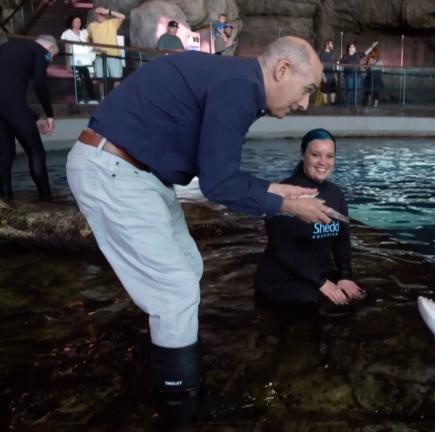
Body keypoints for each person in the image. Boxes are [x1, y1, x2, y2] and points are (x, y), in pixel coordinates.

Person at [65, 36, 329, 425]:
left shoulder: (235, 80)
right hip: (113, 169)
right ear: (282, 70)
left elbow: (216, 172)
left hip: (140, 174)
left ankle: (180, 373)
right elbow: (218, 185)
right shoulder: (241, 87)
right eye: (307, 90)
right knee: (175, 293)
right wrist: (291, 206)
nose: (305, 104)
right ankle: (179, 411)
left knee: (189, 266)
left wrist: (276, 190)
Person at [254, 128, 365, 307]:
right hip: (283, 278)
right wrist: (321, 282)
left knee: (360, 296)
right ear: (302, 155)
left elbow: (342, 240)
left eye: (329, 156)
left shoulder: (336, 194)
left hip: (318, 274)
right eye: (316, 155)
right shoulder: (285, 191)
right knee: (316, 304)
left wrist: (345, 276)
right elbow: (282, 249)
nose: (323, 162)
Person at [0, 35, 58, 202]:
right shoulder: (43, 52)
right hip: (12, 105)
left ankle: (5, 199)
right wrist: (50, 114)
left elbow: (7, 92)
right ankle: (46, 199)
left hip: (4, 106)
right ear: (51, 49)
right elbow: (39, 84)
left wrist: (34, 117)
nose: (49, 61)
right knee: (36, 151)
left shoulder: (6, 48)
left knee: (5, 153)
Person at [87, 6, 125, 93]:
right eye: (98, 14)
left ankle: (116, 99)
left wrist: (108, 11)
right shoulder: (91, 26)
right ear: (95, 15)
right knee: (101, 79)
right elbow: (87, 38)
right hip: (99, 56)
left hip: (113, 54)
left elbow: (123, 16)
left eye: (102, 14)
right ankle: (103, 98)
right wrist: (93, 46)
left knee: (117, 78)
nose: (100, 15)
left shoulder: (111, 22)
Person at [61, 15, 98, 104]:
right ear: (72, 22)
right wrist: (67, 63)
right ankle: (80, 99)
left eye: (79, 21)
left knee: (88, 79)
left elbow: (89, 43)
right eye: (76, 21)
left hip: (85, 59)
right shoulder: (67, 33)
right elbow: (66, 49)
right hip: (75, 60)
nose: (78, 23)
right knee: (78, 80)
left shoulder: (84, 32)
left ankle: (92, 98)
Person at [339, 41, 378, 107]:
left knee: (356, 90)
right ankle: (347, 105)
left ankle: (355, 104)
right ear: (349, 48)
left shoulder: (357, 55)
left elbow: (365, 53)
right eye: (353, 47)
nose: (354, 48)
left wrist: (372, 46)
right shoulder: (345, 56)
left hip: (357, 75)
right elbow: (341, 64)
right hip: (349, 75)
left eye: (354, 47)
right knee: (350, 89)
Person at [318, 39, 337, 106]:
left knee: (333, 91)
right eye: (331, 44)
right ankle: (326, 105)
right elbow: (321, 66)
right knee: (325, 91)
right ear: (327, 45)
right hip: (326, 75)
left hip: (332, 75)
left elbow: (334, 65)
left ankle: (332, 104)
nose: (332, 45)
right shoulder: (322, 54)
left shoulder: (332, 54)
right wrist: (323, 76)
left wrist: (335, 75)